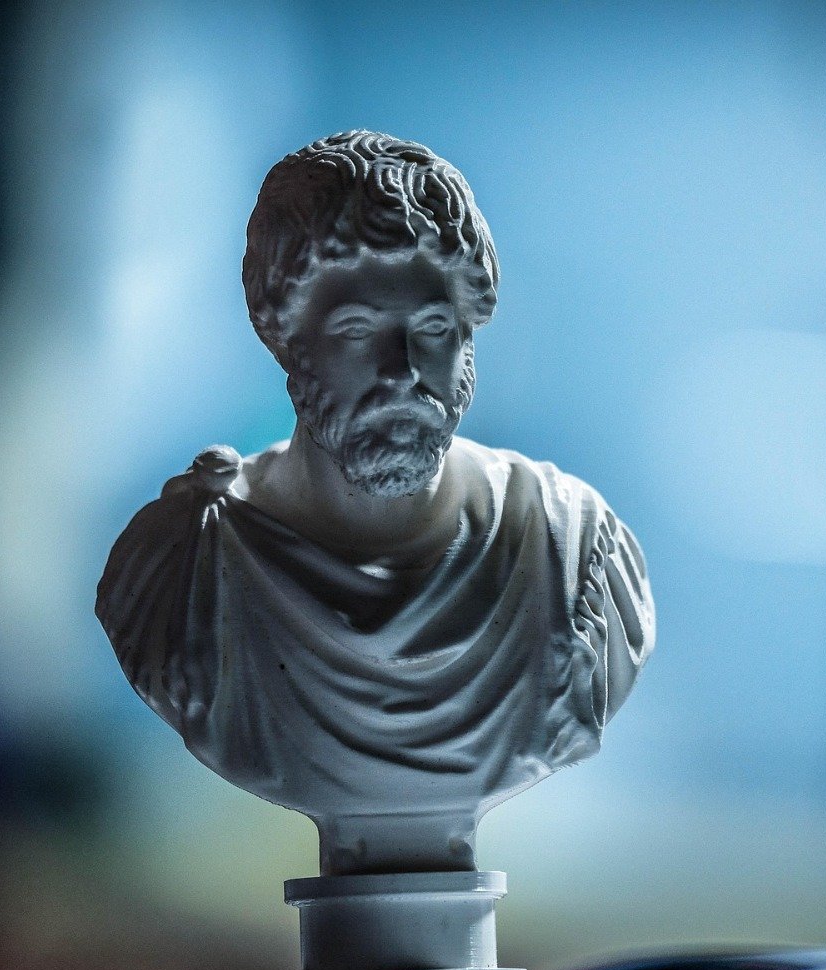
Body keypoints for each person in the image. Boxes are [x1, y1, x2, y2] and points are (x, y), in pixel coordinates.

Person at [96, 131, 654, 875]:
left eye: (432, 329)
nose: (402, 372)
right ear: (283, 333)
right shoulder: (187, 567)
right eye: (357, 329)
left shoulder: (573, 554)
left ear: (468, 338)